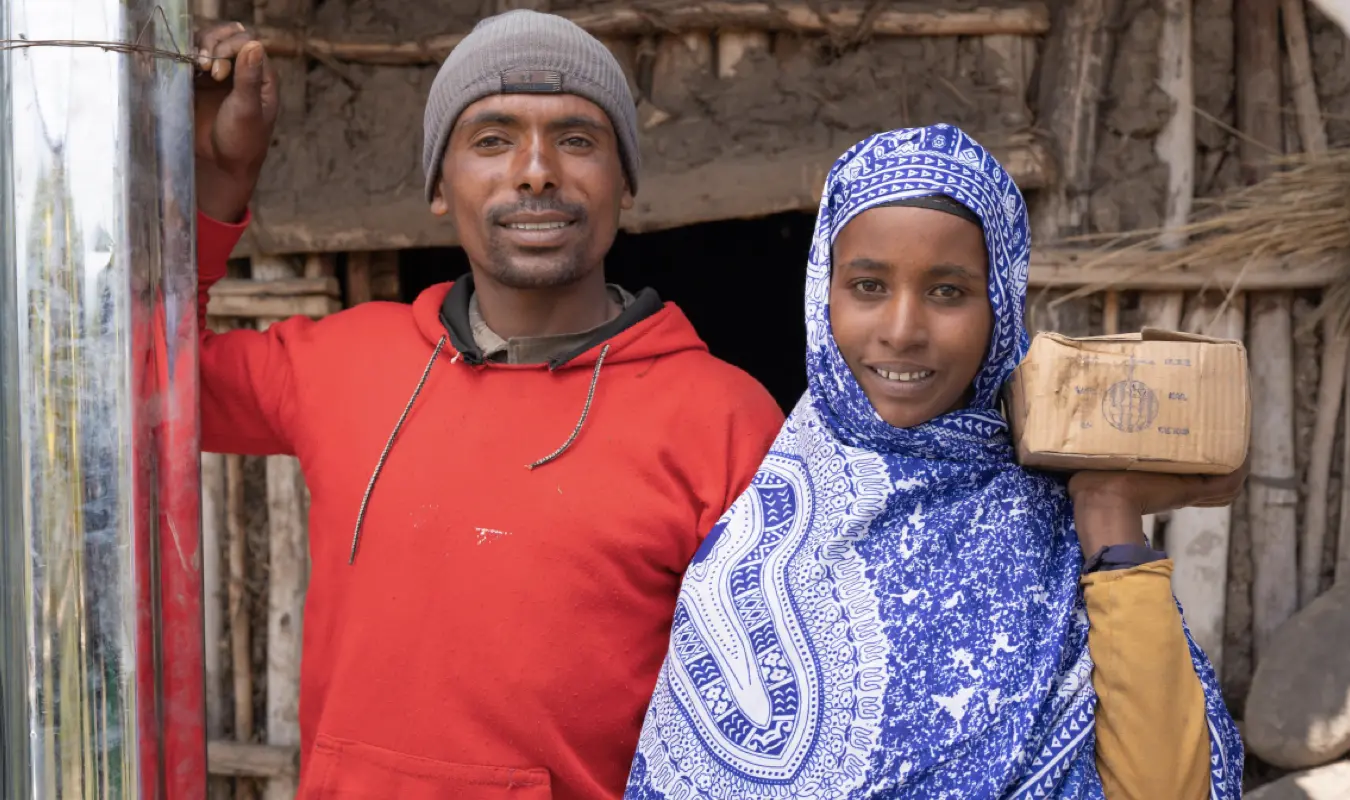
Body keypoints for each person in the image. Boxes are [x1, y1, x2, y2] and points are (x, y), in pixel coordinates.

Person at [192, 11, 783, 798]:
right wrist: (216, 186)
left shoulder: (726, 421)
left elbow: (768, 723)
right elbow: (141, 378)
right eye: (492, 139)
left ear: (627, 184)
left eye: (576, 140)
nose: (536, 171)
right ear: (439, 185)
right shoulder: (339, 361)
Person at [621, 125, 1247, 800]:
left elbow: (1171, 789)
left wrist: (1108, 510)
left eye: (947, 291)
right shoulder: (750, 560)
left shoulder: (1057, 531)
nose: (902, 328)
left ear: (1001, 308)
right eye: (867, 285)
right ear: (822, 296)